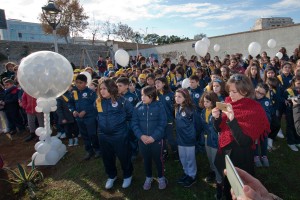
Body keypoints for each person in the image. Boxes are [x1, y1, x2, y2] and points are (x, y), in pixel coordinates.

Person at [212, 74, 270, 200]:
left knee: (239, 187)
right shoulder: (228, 102)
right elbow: (219, 129)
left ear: (244, 91)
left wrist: (232, 119)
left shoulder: (255, 109)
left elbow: (244, 141)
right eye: (229, 91)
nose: (230, 95)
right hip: (226, 151)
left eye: (234, 92)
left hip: (241, 156)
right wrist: (216, 118)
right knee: (227, 183)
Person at [96, 78, 133, 189]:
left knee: (124, 156)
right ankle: (112, 176)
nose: (102, 91)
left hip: (119, 135)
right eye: (100, 89)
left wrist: (120, 125)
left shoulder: (122, 101)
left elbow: (131, 114)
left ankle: (127, 175)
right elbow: (97, 116)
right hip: (103, 135)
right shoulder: (98, 101)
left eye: (105, 89)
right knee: (107, 157)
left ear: (111, 88)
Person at [131, 86, 168, 190]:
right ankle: (148, 177)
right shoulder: (138, 106)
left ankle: (161, 177)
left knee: (159, 159)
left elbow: (162, 123)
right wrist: (141, 136)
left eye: (145, 95)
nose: (142, 97)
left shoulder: (160, 106)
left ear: (152, 96)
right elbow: (134, 123)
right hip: (142, 141)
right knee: (146, 159)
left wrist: (153, 137)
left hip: (156, 141)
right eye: (142, 95)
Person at [68, 74, 101, 160]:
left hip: (90, 118)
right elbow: (70, 103)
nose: (78, 84)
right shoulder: (74, 93)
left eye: (81, 83)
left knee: (92, 134)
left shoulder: (91, 93)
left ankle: (97, 149)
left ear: (86, 83)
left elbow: (95, 104)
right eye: (77, 82)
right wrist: (73, 110)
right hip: (79, 119)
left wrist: (86, 111)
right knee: (84, 135)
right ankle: (89, 151)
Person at [199, 91, 223, 199]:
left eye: (208, 102)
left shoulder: (217, 112)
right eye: (204, 101)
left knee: (217, 161)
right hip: (207, 140)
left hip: (215, 142)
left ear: (213, 102)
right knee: (210, 159)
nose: (205, 104)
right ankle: (212, 171)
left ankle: (219, 183)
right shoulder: (203, 111)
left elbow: (217, 128)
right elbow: (203, 126)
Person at [175, 88, 198, 188]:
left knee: (190, 158)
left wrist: (193, 135)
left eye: (179, 97)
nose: (177, 98)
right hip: (180, 139)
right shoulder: (177, 107)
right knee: (183, 157)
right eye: (175, 96)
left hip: (189, 139)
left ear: (186, 98)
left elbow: (197, 124)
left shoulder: (190, 109)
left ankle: (192, 176)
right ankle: (186, 172)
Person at [155, 77, 177, 161]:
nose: (156, 84)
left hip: (168, 120)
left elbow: (175, 107)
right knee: (161, 138)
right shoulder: (154, 95)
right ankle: (164, 152)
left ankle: (175, 152)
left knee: (170, 138)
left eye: (158, 82)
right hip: (158, 121)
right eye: (155, 83)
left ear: (164, 84)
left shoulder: (171, 94)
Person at [254, 83, 272, 167]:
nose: (258, 94)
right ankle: (256, 156)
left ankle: (264, 156)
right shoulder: (251, 99)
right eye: (257, 91)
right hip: (254, 126)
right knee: (255, 141)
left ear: (265, 94)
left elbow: (269, 113)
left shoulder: (266, 101)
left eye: (261, 94)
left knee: (264, 141)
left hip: (264, 126)